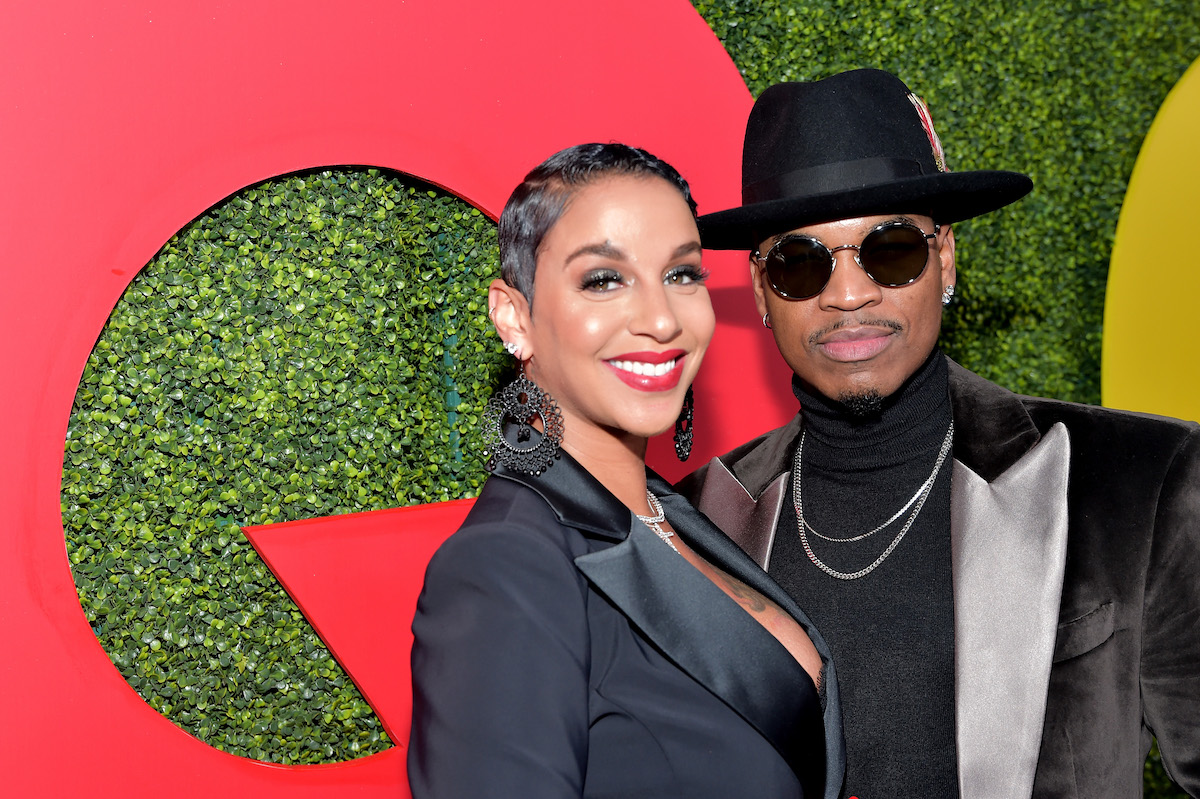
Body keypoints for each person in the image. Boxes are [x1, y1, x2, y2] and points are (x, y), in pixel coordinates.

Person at [681, 69, 1200, 798]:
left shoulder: (1139, 482)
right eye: (801, 263)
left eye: (891, 249)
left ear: (945, 258)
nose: (849, 294)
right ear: (762, 293)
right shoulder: (696, 522)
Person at [408, 143, 845, 799]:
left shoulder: (679, 516)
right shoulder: (505, 566)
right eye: (603, 280)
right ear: (514, 317)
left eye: (682, 274)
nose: (662, 320)